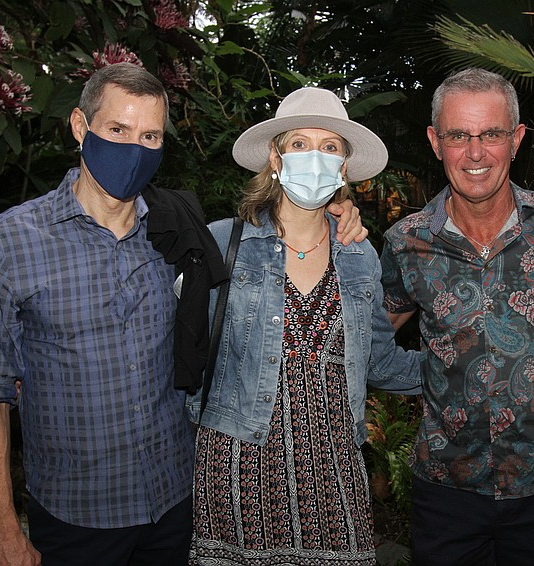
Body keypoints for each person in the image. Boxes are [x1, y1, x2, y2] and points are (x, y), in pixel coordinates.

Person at [0, 63, 366, 566]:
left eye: (150, 136)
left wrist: (339, 215)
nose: (134, 149)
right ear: (81, 127)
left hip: (176, 503)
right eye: (117, 130)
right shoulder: (7, 242)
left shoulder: (180, 231)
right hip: (76, 512)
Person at [186, 86, 422, 565]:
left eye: (329, 146)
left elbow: (380, 362)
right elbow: (183, 352)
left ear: (343, 167)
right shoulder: (222, 244)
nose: (315, 157)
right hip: (238, 468)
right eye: (299, 144)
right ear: (276, 158)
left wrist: (463, 363)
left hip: (333, 471)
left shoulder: (360, 255)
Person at [380, 68, 534, 565]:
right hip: (447, 489)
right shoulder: (406, 242)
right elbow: (369, 341)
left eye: (491, 134)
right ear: (436, 142)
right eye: (458, 136)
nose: (475, 153)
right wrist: (430, 376)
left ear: (516, 139)